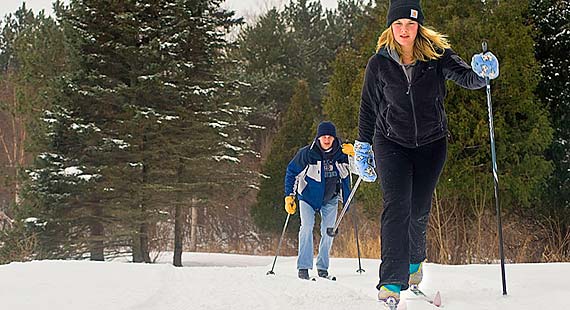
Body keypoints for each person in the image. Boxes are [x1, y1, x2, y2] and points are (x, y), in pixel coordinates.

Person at [351, 0, 499, 306]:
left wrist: (482, 73)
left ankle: (414, 263)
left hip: (432, 144)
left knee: (418, 210)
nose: (404, 31)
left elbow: (466, 77)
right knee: (396, 206)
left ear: (419, 26)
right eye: (398, 25)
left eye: (410, 24)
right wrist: (364, 147)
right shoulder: (378, 64)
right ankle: (391, 281)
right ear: (390, 27)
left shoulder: (436, 56)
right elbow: (368, 108)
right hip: (390, 142)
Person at [284, 121, 353, 280]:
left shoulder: (342, 154)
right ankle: (303, 267)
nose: (327, 140)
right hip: (307, 196)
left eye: (330, 137)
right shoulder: (307, 153)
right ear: (318, 138)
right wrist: (290, 196)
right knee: (306, 227)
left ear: (334, 138)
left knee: (329, 232)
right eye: (324, 137)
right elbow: (292, 172)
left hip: (331, 197)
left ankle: (322, 268)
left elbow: (358, 171)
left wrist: (354, 155)